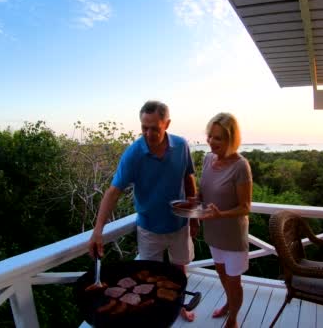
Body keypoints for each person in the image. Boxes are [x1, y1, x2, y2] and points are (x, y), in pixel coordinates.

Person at [87, 100, 198, 321]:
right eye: (144, 127)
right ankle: (156, 315)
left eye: (154, 128)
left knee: (179, 270)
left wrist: (194, 217)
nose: (148, 133)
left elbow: (189, 179)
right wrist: (98, 230)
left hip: (179, 225)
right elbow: (113, 192)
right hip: (149, 227)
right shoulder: (133, 154)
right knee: (150, 277)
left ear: (167, 124)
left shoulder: (181, 146)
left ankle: (179, 306)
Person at [198, 112, 252, 328]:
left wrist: (221, 214)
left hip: (232, 236)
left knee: (234, 281)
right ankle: (229, 303)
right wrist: (194, 199)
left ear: (231, 139)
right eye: (210, 136)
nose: (211, 142)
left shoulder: (241, 166)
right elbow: (204, 193)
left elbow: (245, 207)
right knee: (221, 274)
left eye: (218, 138)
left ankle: (233, 317)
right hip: (212, 232)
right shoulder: (207, 159)